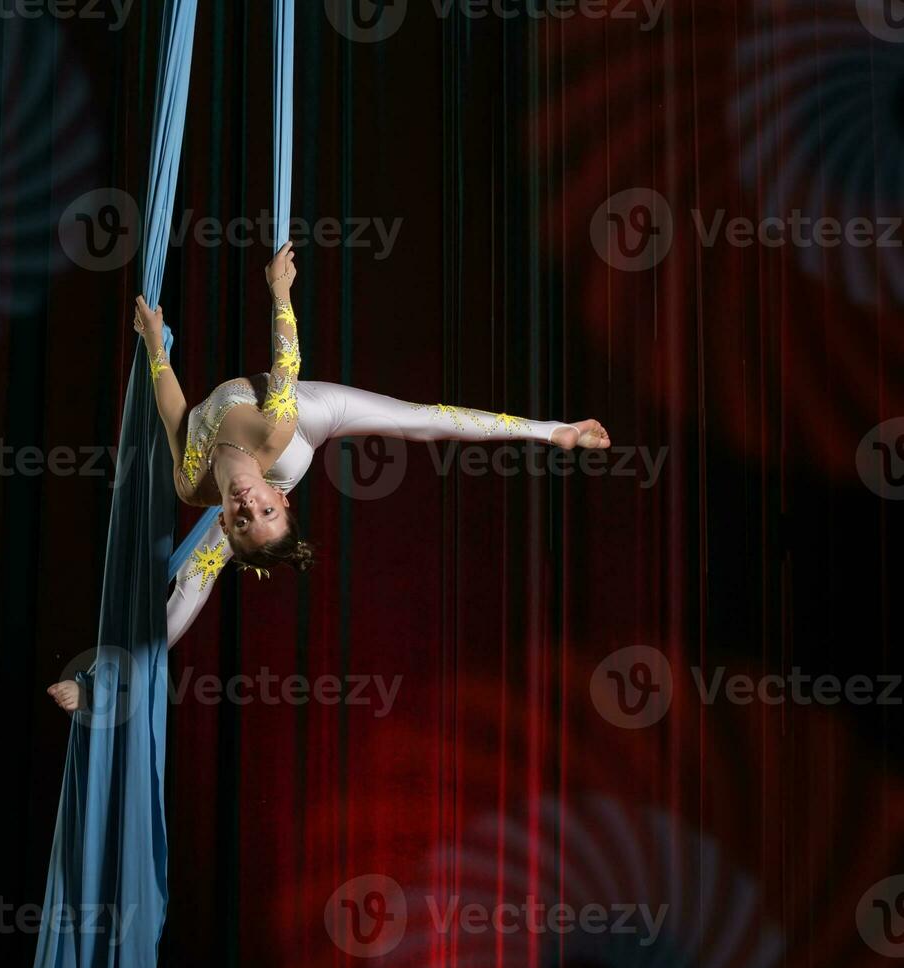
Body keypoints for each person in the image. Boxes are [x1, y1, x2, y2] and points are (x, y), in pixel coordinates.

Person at [48, 243, 609, 712]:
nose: (249, 506)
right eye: (265, 510)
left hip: (250, 429)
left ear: (223, 522)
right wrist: (279, 291)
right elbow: (286, 363)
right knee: (422, 419)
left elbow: (174, 413)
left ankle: (98, 683)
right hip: (305, 419)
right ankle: (556, 433)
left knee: (189, 590)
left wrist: (152, 342)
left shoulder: (192, 483)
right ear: (281, 500)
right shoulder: (273, 437)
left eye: (242, 522)